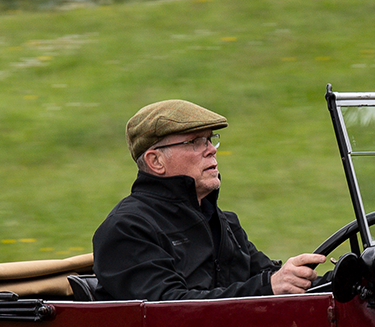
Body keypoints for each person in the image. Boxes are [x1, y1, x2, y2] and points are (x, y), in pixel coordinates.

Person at [92, 99, 327, 301]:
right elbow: (167, 310)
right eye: (195, 142)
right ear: (156, 161)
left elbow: (271, 279)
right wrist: (269, 286)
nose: (211, 150)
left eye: (209, 139)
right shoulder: (128, 229)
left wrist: (337, 281)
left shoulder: (223, 222)